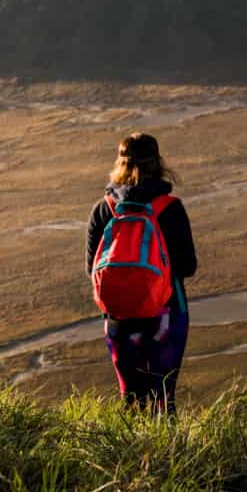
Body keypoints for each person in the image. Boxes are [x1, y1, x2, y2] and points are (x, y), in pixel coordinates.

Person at [85, 132, 197, 412]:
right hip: (165, 316)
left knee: (131, 400)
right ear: (158, 163)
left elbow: (92, 269)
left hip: (118, 320)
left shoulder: (103, 209)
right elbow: (188, 266)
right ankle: (165, 455)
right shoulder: (170, 208)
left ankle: (128, 453)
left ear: (119, 164)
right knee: (163, 400)